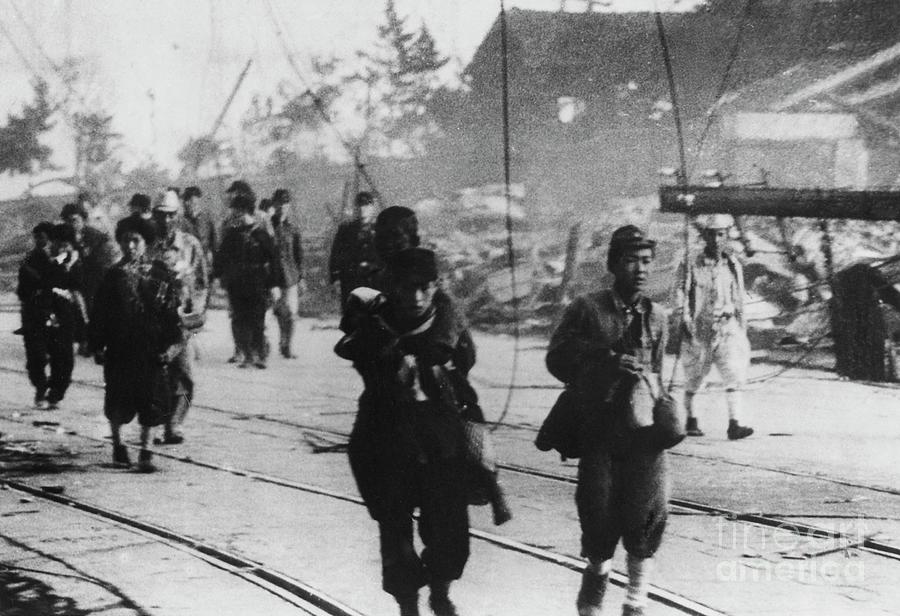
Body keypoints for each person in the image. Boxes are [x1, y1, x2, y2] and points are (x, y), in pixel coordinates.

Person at [335, 247, 473, 616]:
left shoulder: (446, 315)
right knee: (395, 532)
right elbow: (364, 361)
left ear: (436, 285)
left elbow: (465, 359)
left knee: (450, 533)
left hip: (438, 434)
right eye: (406, 287)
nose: (415, 296)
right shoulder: (372, 322)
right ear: (392, 287)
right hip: (385, 435)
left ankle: (441, 595)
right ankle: (408, 607)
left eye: (424, 287)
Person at [546, 225, 671, 616]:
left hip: (643, 436)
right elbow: (557, 358)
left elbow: (659, 374)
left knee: (646, 517)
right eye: (631, 260)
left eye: (647, 261)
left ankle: (636, 603)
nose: (640, 269)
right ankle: (592, 599)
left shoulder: (658, 317)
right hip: (599, 431)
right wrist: (606, 360)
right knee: (598, 518)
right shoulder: (587, 309)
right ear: (614, 264)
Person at [89, 216, 183, 472]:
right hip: (119, 348)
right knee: (118, 398)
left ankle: (146, 451)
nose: (130, 246)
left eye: (136, 240)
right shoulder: (112, 276)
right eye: (125, 240)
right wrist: (97, 344)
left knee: (151, 398)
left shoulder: (160, 275)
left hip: (150, 346)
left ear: (146, 242)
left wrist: (172, 344)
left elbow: (171, 313)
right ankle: (119, 445)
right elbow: (99, 313)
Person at [673, 214, 753, 440]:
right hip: (700, 328)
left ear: (726, 236)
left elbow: (739, 297)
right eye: (711, 234)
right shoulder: (691, 263)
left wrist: (741, 327)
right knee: (695, 376)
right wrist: (683, 318)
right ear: (704, 236)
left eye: (720, 235)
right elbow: (680, 292)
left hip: (727, 328)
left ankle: (734, 423)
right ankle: (691, 419)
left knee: (734, 373)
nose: (716, 240)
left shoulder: (732, 264)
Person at [148, 190, 209, 444]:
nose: (166, 220)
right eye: (161, 215)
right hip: (153, 322)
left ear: (177, 215)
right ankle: (158, 423)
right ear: (154, 216)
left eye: (171, 215)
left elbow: (202, 284)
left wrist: (192, 319)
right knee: (156, 376)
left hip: (181, 321)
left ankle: (174, 424)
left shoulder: (190, 245)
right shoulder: (147, 246)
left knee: (184, 375)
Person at [17, 222, 83, 409]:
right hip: (37, 312)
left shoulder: (74, 261)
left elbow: (77, 288)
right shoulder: (33, 260)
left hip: (63, 313)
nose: (62, 248)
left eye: (66, 244)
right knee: (37, 357)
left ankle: (55, 394)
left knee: (64, 358)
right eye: (58, 243)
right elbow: (24, 290)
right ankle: (40, 386)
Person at [213, 193, 282, 369]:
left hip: (258, 282)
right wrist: (216, 275)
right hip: (237, 283)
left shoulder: (261, 235)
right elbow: (220, 258)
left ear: (246, 211)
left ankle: (260, 354)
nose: (234, 215)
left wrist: (274, 284)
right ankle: (247, 355)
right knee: (240, 319)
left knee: (258, 319)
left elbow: (274, 260)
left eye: (237, 211)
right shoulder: (232, 235)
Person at [61, 201, 117, 351]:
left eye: (75, 220)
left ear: (82, 219)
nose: (71, 224)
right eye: (67, 221)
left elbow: (103, 258)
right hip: (72, 279)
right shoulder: (63, 237)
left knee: (94, 308)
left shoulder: (95, 236)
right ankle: (82, 340)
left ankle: (95, 341)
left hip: (94, 277)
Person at [263, 189, 304, 358]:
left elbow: (298, 255)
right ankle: (263, 343)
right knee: (266, 314)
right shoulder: (266, 227)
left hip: (290, 277)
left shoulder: (293, 229)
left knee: (290, 315)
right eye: (279, 203)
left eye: (286, 203)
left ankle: (286, 345)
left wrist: (301, 277)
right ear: (274, 205)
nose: (283, 207)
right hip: (269, 277)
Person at [329, 191, 379, 312]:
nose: (363, 209)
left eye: (366, 205)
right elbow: (335, 255)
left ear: (372, 207)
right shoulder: (345, 229)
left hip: (373, 282)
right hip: (350, 281)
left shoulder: (381, 229)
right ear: (355, 208)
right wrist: (335, 279)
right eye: (360, 205)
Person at [180, 186, 218, 264]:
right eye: (185, 200)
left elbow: (214, 241)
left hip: (205, 260)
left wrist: (211, 253)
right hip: (188, 261)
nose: (186, 203)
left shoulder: (207, 218)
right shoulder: (182, 220)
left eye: (190, 200)